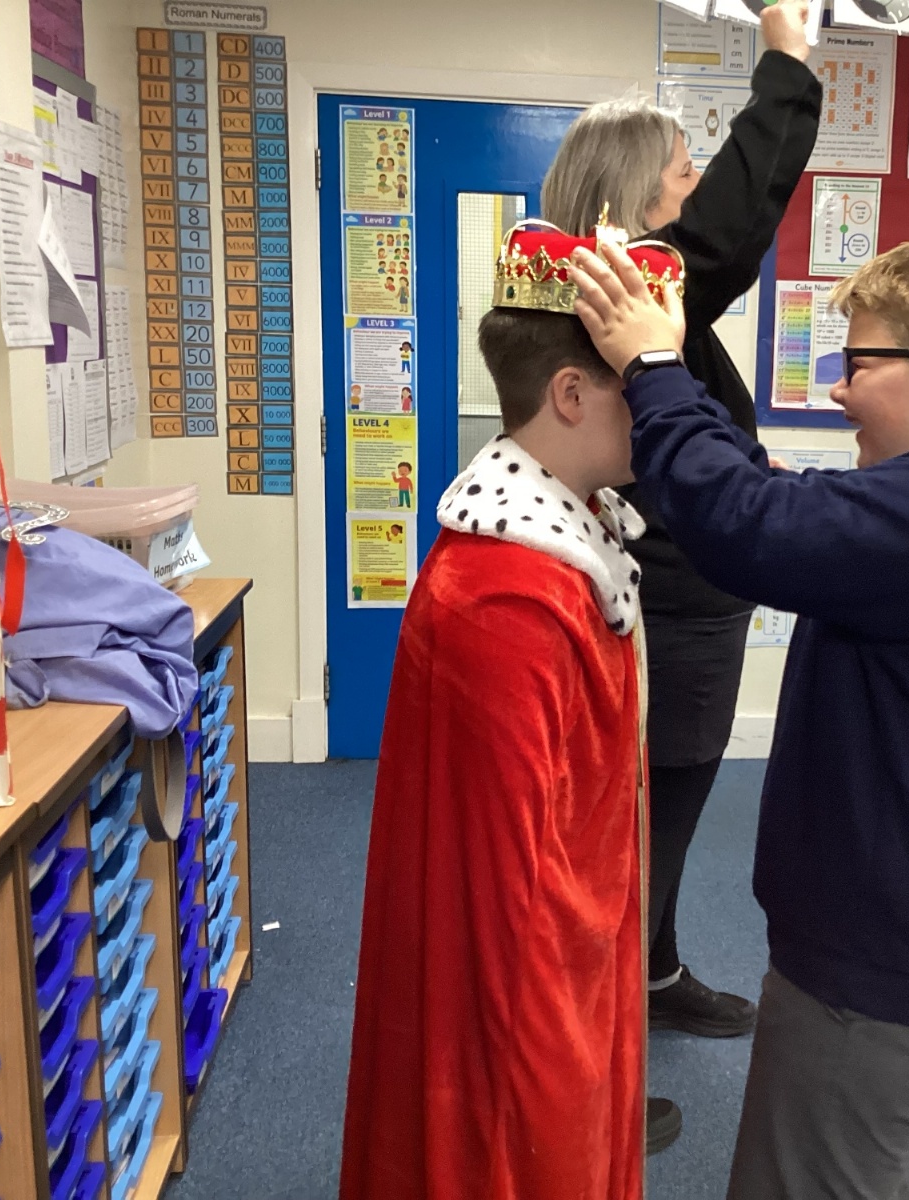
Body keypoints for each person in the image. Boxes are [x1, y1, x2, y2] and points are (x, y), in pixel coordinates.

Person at [569, 227, 909, 1200]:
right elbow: (765, 497)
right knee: (871, 1171)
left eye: (858, 364)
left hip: (882, 970)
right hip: (891, 945)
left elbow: (745, 525)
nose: (837, 388)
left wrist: (654, 367)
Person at [339, 225, 686, 1200]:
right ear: (572, 394)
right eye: (640, 383)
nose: (663, 412)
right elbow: (506, 910)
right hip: (538, 991)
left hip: (589, 935)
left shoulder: (571, 545)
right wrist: (567, 1048)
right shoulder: (505, 599)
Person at [540, 0, 821, 1149]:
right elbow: (734, 225)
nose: (698, 182)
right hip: (667, 608)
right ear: (631, 203)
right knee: (640, 840)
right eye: (680, 169)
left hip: (678, 600)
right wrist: (786, 61)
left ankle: (651, 980)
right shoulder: (625, 290)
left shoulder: (623, 307)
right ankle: (592, 1079)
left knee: (659, 829)